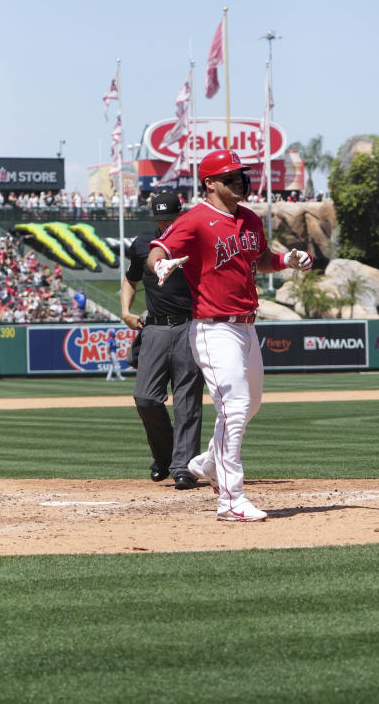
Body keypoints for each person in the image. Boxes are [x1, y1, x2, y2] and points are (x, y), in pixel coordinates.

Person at [147, 149, 313, 522]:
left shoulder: (250, 219)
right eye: (230, 177)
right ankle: (231, 500)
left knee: (249, 404)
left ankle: (208, 462)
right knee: (234, 406)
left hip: (247, 328)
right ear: (209, 183)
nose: (239, 181)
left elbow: (262, 257)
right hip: (213, 327)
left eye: (241, 176)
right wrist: (162, 263)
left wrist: (288, 260)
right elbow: (156, 253)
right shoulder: (195, 220)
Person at [121, 191, 205, 490]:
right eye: (159, 217)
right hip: (154, 329)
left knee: (187, 403)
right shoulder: (143, 244)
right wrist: (125, 311)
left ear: (180, 215)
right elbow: (130, 280)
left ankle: (184, 468)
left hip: (190, 327)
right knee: (145, 398)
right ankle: (165, 455)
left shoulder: (196, 243)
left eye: (169, 218)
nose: (164, 222)